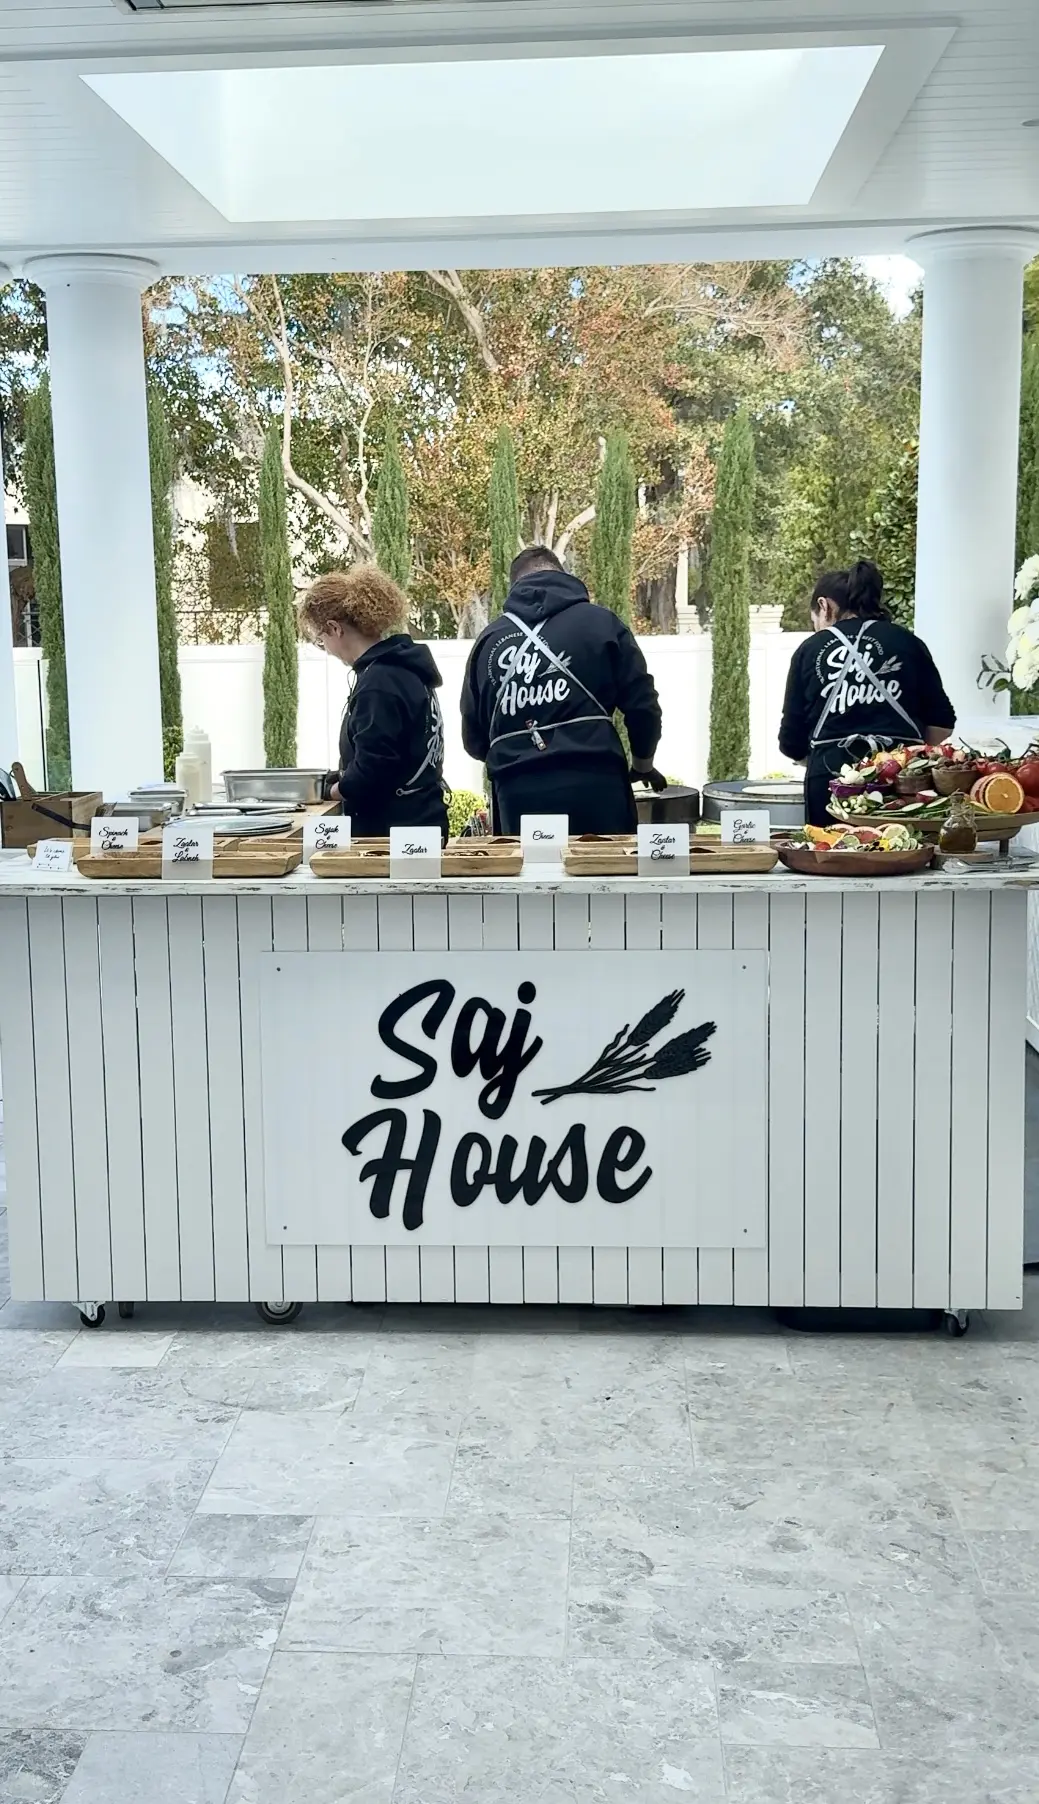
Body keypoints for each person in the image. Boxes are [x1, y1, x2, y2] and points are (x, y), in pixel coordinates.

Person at [461, 546, 664, 834]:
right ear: (563, 575)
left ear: (515, 586)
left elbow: (473, 739)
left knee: (533, 877)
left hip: (517, 794)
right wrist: (643, 764)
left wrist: (520, 752)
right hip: (597, 786)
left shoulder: (488, 641)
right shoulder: (601, 623)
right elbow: (643, 705)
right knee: (604, 875)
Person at [779, 559, 956, 827]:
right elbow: (942, 722)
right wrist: (905, 755)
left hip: (829, 783)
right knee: (904, 857)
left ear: (824, 606)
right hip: (902, 781)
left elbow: (791, 740)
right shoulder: (908, 642)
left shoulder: (810, 649)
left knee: (834, 857)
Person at [298, 566, 449, 840]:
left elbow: (374, 767)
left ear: (334, 628)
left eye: (322, 640)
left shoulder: (379, 683)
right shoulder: (402, 669)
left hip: (395, 835)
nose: (326, 649)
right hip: (422, 820)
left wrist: (330, 793)